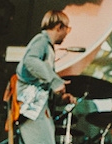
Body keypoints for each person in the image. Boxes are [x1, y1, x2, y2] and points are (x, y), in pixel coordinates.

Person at [15, 11, 78, 144]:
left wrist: (60, 98)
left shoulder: (47, 47)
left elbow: (41, 82)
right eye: (67, 29)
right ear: (59, 26)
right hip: (31, 106)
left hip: (38, 107)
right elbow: (30, 61)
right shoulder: (41, 40)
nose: (67, 33)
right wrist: (55, 81)